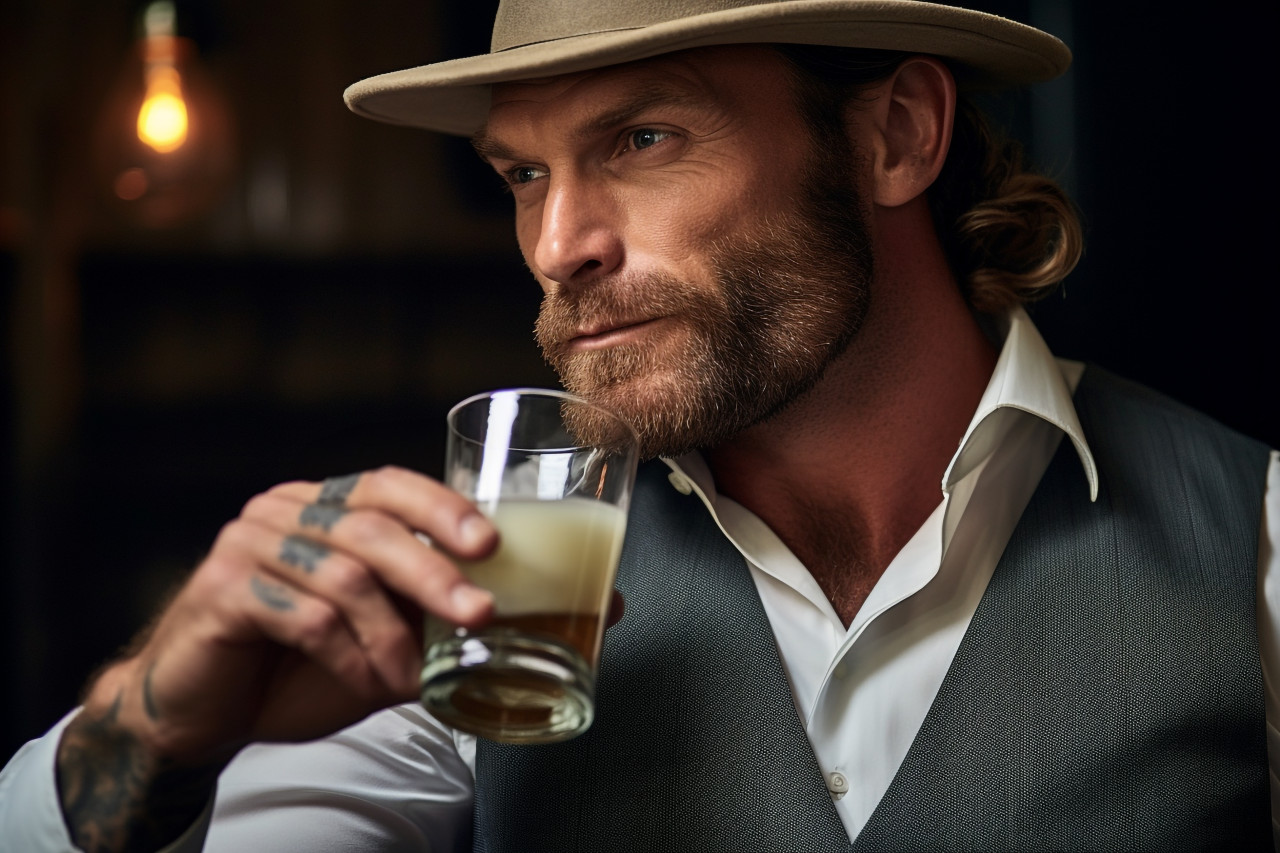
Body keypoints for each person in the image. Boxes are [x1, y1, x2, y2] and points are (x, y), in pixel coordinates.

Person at [2, 0, 1276, 850]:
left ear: (894, 134)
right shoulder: (481, 597)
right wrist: (157, 726)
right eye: (523, 175)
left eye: (645, 136)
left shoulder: (1253, 538)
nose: (558, 247)